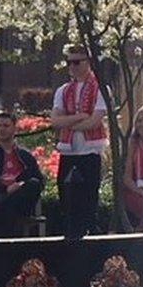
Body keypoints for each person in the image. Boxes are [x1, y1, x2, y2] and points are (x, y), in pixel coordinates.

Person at [51, 44, 108, 235]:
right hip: (69, 151)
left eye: (76, 62)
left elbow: (93, 122)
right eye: (69, 62)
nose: (72, 66)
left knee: (88, 201)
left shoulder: (100, 88)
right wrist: (78, 117)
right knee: (66, 199)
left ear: (88, 62)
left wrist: (69, 122)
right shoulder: (63, 90)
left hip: (89, 151)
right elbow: (55, 120)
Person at [0, 112, 45, 237]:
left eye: (6, 126)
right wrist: (5, 189)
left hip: (19, 200)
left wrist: (19, 186)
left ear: (14, 128)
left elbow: (39, 180)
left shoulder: (25, 156)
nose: (2, 129)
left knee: (33, 184)